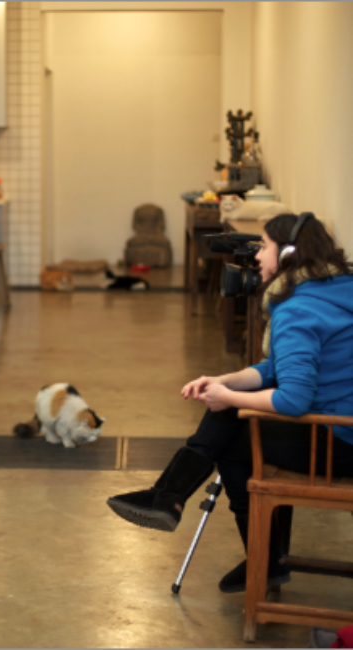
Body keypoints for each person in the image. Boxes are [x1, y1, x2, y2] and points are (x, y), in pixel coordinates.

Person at [107, 212, 353, 593]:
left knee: (234, 441)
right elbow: (278, 367)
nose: (256, 257)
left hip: (341, 440)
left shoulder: (296, 311)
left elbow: (293, 397)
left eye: (265, 246)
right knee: (232, 419)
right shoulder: (335, 289)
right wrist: (224, 381)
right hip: (340, 427)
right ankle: (170, 497)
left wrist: (228, 397)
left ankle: (255, 554)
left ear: (288, 254)